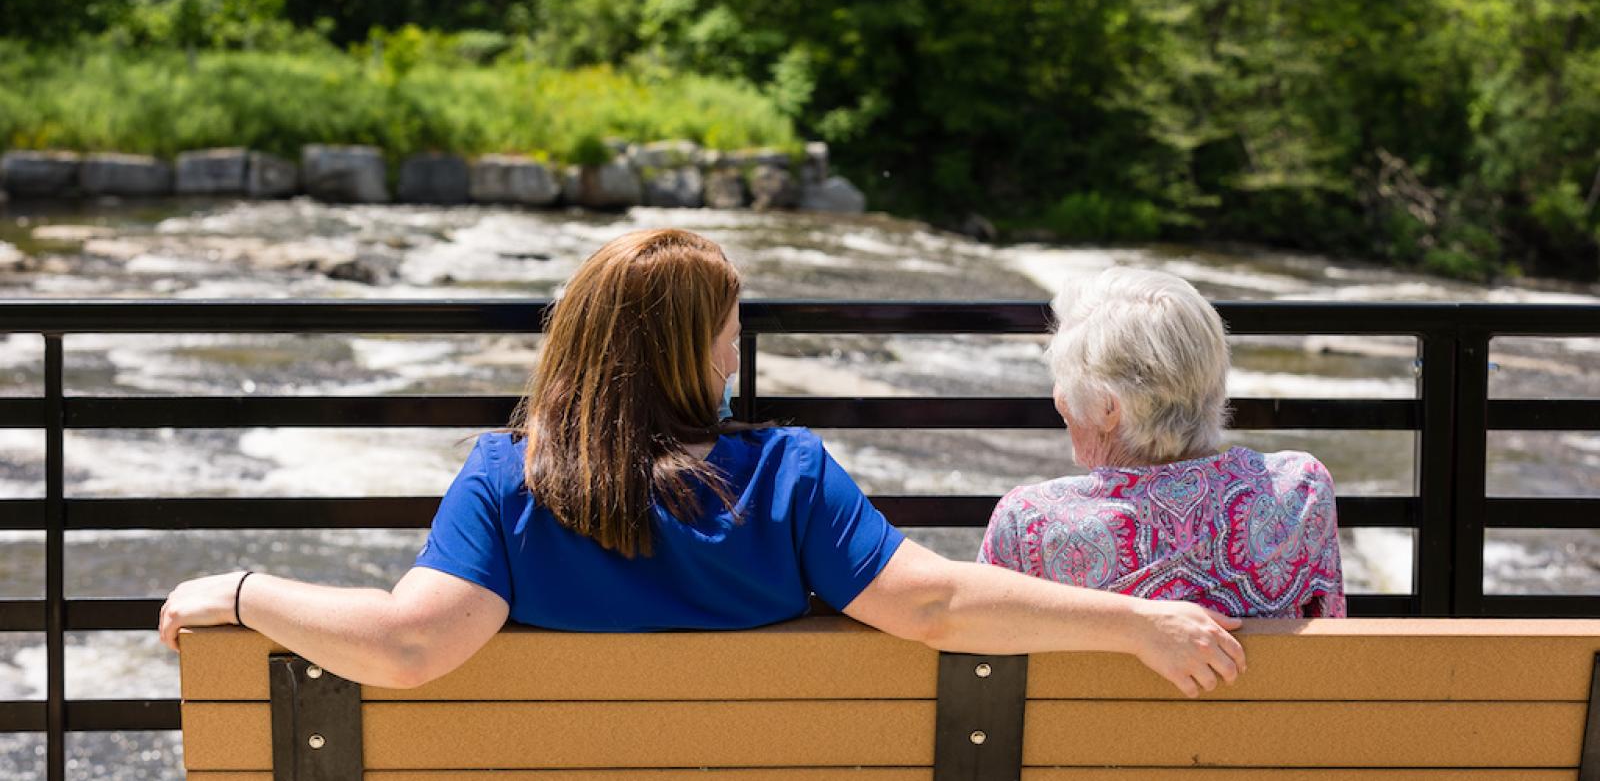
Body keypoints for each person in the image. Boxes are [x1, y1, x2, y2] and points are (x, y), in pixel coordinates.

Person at [159, 229, 1245, 698]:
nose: (737, 353)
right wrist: (1138, 623)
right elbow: (938, 607)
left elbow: (407, 647)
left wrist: (246, 592)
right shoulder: (787, 477)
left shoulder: (508, 478)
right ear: (693, 350)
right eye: (729, 332)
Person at [979, 267, 1346, 619]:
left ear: (1109, 408)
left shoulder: (1027, 524)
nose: (1059, 394)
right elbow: (1331, 640)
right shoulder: (1301, 490)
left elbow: (976, 649)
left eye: (1063, 377)